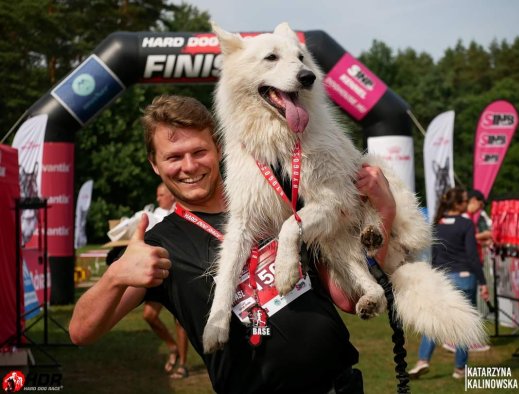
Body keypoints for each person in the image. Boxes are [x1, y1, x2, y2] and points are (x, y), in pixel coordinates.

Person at [69, 95, 397, 394]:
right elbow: (81, 332)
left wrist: (384, 208)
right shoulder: (159, 245)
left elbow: (347, 298)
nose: (189, 166)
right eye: (173, 157)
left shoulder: (279, 200)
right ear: (155, 164)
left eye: (199, 152)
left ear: (219, 148)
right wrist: (115, 277)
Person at [408, 187, 490, 380]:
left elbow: (435, 255)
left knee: (436, 320)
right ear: (460, 204)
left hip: (443, 278)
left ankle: (423, 360)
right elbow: (472, 255)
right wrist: (483, 281)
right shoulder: (467, 223)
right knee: (464, 325)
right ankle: (460, 369)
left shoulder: (438, 224)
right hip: (465, 277)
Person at [143, 182, 189, 379]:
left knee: (180, 321)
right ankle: (172, 347)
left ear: (171, 196)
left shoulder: (183, 212)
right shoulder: (156, 215)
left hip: (179, 273)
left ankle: (183, 364)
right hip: (159, 273)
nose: (158, 198)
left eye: (161, 194)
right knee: (149, 315)